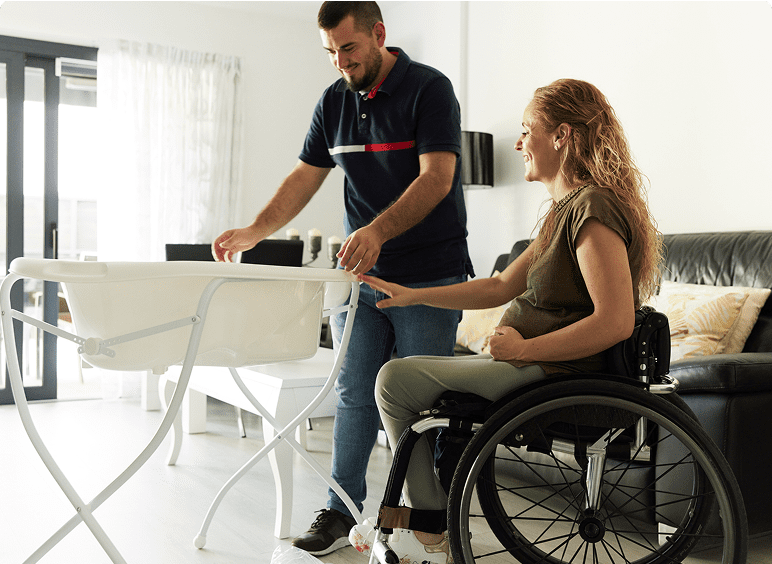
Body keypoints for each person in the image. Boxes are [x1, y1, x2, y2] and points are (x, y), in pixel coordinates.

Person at [350, 78, 663, 563]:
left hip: (559, 373)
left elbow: (616, 321)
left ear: (560, 135)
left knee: (394, 380)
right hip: (537, 369)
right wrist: (415, 295)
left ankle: (431, 530)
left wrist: (524, 349)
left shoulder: (593, 209)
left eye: (526, 130)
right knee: (404, 383)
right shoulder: (564, 212)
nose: (518, 142)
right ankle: (432, 524)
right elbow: (498, 287)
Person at [211, 1, 473, 555]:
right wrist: (257, 230)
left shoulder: (430, 89)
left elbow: (437, 178)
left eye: (348, 49)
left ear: (379, 34)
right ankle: (341, 512)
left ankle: (428, 516)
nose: (340, 62)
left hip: (430, 275)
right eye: (330, 52)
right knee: (354, 392)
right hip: (361, 275)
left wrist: (376, 231)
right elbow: (306, 176)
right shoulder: (332, 101)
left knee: (422, 402)